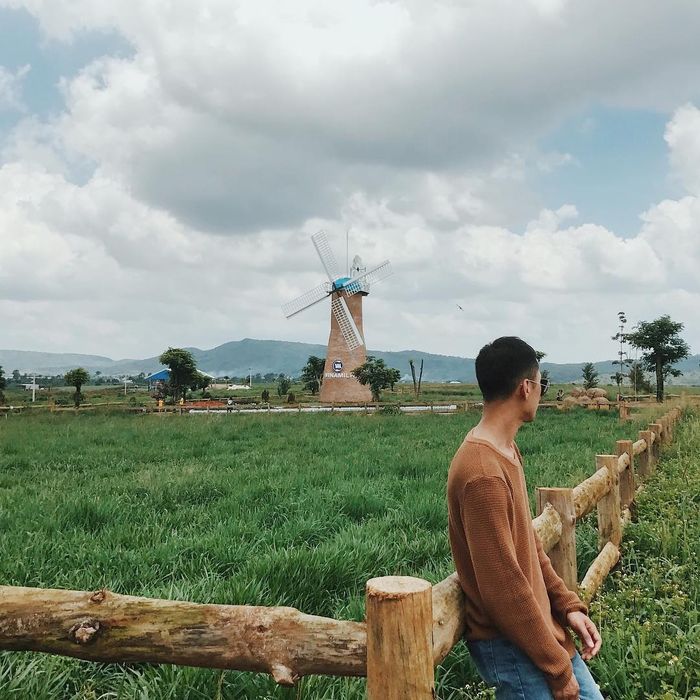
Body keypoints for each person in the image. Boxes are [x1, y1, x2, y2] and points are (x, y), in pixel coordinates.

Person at [447, 337, 603, 700]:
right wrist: (559, 671)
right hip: (513, 645)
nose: (540, 393)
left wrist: (566, 607)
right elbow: (503, 588)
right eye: (541, 384)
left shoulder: (505, 450)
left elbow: (527, 548)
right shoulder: (482, 472)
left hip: (539, 635)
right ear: (526, 387)